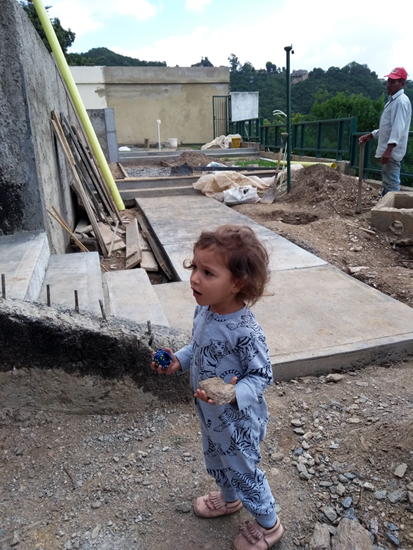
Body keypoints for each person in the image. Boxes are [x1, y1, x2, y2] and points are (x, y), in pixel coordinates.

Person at [151, 225, 284, 550]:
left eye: (207, 272)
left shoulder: (245, 331)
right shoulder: (204, 310)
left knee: (243, 469)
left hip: (237, 422)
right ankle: (229, 498)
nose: (194, 278)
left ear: (237, 283)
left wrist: (234, 392)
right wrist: (179, 360)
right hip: (210, 415)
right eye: (194, 267)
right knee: (216, 460)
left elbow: (262, 375)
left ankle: (269, 524)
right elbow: (197, 347)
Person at [359, 67, 412, 197]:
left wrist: (389, 149)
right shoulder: (394, 100)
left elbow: (398, 127)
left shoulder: (400, 102)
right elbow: (387, 127)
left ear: (402, 83)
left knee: (391, 183)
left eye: (393, 82)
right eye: (389, 81)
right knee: (388, 181)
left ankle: (390, 208)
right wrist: (371, 135)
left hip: (392, 152)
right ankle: (386, 203)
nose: (388, 84)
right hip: (389, 150)